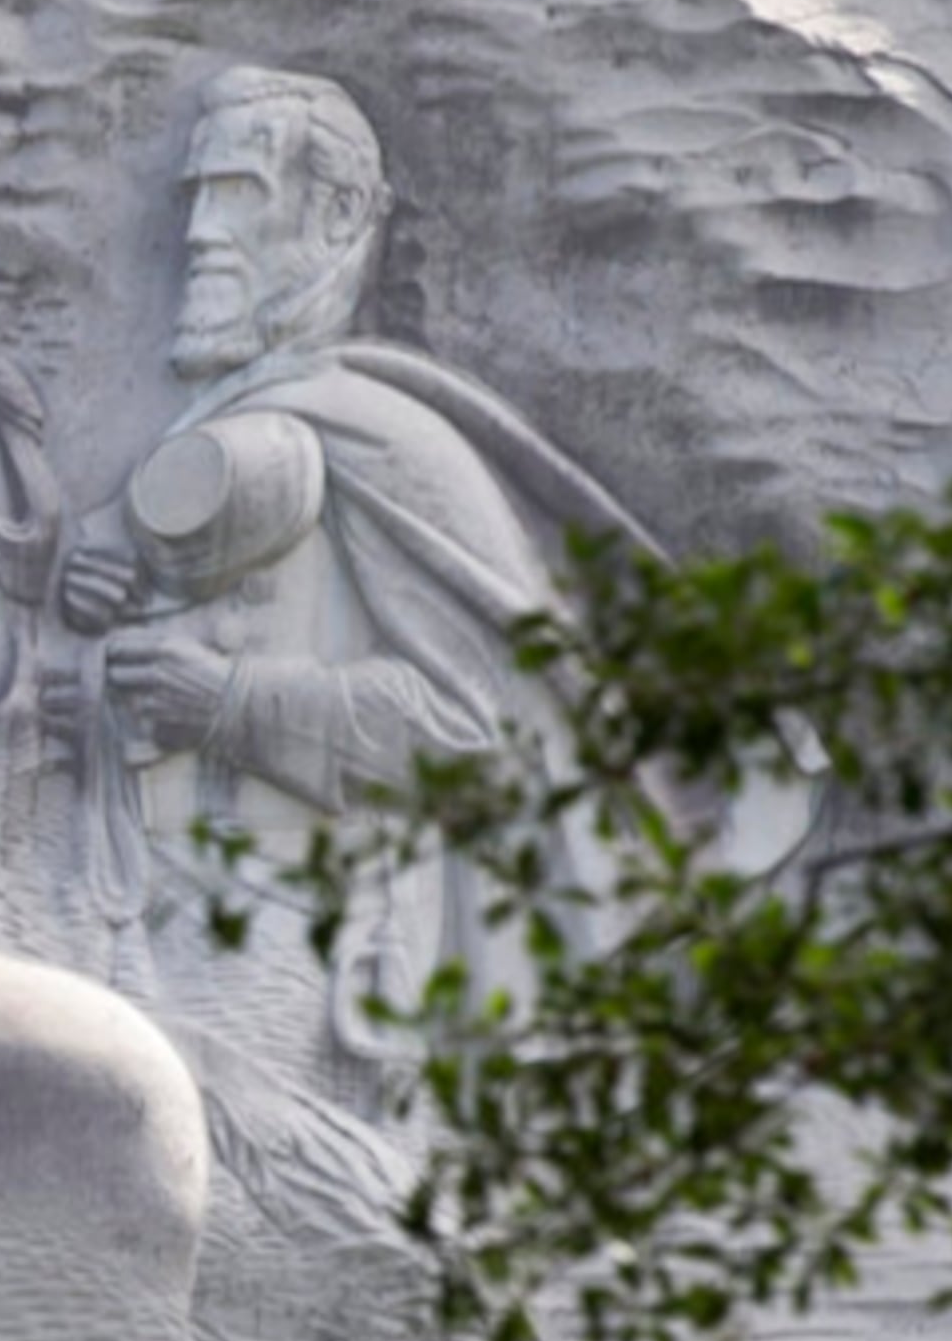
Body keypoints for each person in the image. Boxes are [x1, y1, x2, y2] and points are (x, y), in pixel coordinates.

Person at [43, 65, 657, 1115]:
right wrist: (94, 648)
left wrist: (231, 703)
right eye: (196, 196)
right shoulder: (204, 440)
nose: (198, 234)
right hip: (125, 923)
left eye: (238, 191)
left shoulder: (393, 442)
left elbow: (483, 738)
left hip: (301, 960)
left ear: (333, 217)